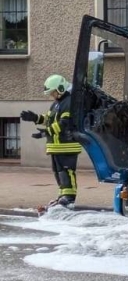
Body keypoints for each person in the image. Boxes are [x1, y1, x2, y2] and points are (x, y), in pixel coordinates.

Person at [21, 75, 83, 215]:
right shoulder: (56, 103)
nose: (52, 95)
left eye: (53, 92)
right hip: (57, 146)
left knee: (67, 171)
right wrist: (35, 118)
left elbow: (64, 123)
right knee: (59, 172)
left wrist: (46, 132)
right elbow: (49, 120)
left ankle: (69, 198)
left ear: (60, 88)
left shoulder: (69, 102)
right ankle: (62, 196)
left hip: (67, 145)